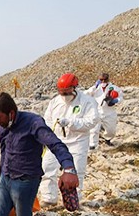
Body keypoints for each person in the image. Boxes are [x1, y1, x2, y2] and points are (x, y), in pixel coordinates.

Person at [39, 73, 99, 207]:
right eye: (61, 92)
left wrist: (72, 122)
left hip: (77, 141)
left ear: (74, 88)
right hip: (57, 141)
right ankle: (49, 197)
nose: (64, 95)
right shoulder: (54, 102)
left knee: (76, 170)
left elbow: (92, 120)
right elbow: (47, 120)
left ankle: (73, 200)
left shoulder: (87, 101)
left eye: (67, 92)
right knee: (47, 167)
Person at [84, 72, 123, 149]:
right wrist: (94, 87)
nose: (103, 82)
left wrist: (116, 100)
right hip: (97, 110)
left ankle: (107, 139)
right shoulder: (95, 88)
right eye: (101, 80)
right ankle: (93, 144)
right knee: (94, 129)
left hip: (109, 111)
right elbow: (85, 94)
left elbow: (121, 97)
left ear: (108, 79)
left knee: (111, 129)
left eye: (105, 79)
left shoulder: (114, 88)